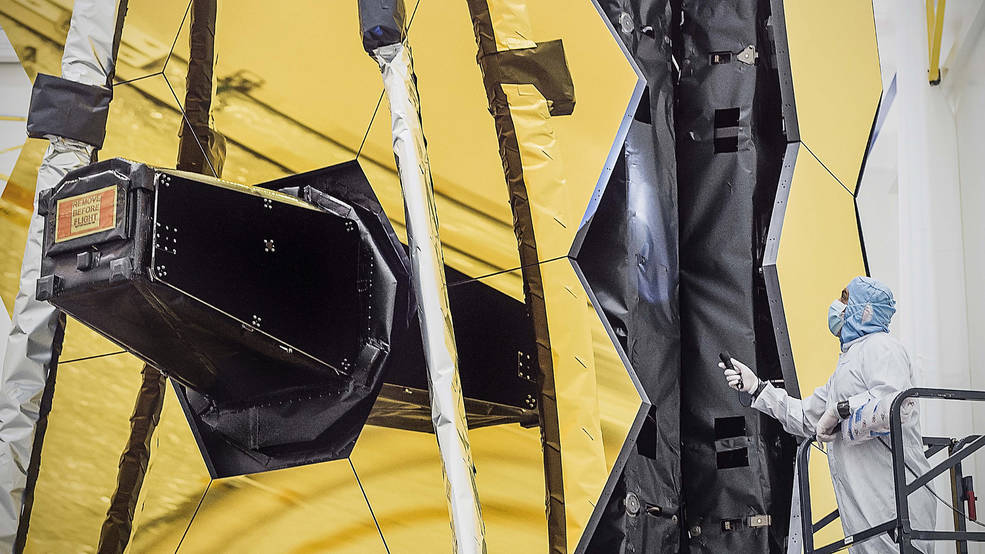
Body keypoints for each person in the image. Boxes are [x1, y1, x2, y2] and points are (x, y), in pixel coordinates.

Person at [722, 276, 937, 553]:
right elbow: (806, 417)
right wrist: (756, 387)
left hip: (894, 505)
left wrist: (839, 411)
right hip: (868, 514)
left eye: (845, 299)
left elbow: (894, 406)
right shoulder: (846, 366)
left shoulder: (882, 347)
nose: (837, 306)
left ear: (866, 310)